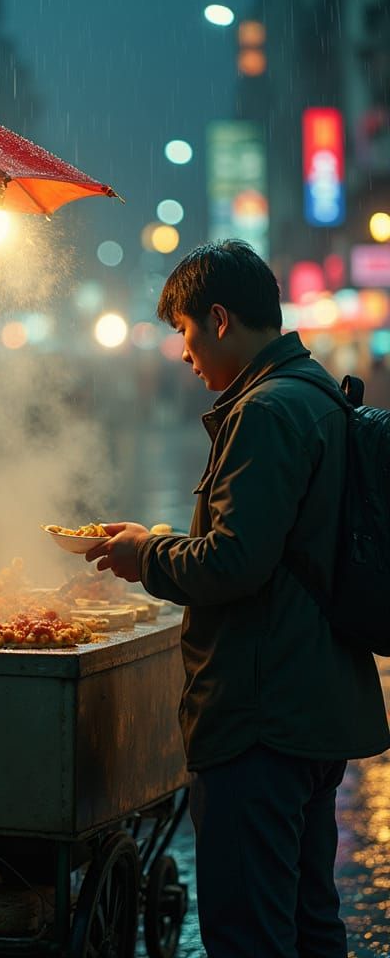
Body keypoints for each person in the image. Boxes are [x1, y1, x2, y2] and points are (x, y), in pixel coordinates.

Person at [86, 240, 390, 958]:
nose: (185, 355)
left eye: (185, 332)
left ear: (219, 318)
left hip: (261, 714)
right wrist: (160, 540)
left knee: (250, 933)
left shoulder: (265, 411)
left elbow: (234, 563)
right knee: (311, 922)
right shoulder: (314, 391)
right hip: (311, 703)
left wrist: (144, 554)